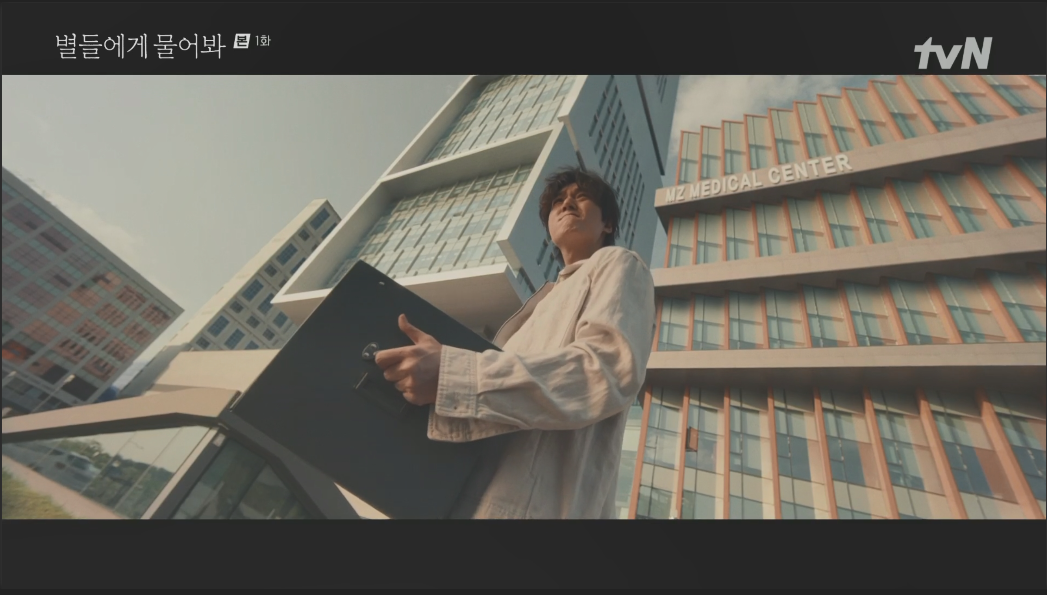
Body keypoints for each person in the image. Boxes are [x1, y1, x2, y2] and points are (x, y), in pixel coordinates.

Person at [374, 166, 656, 519]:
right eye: (558, 200)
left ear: (608, 224)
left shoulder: (620, 263)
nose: (567, 203)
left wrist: (454, 375)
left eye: (581, 197)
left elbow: (607, 370)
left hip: (532, 507)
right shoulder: (538, 306)